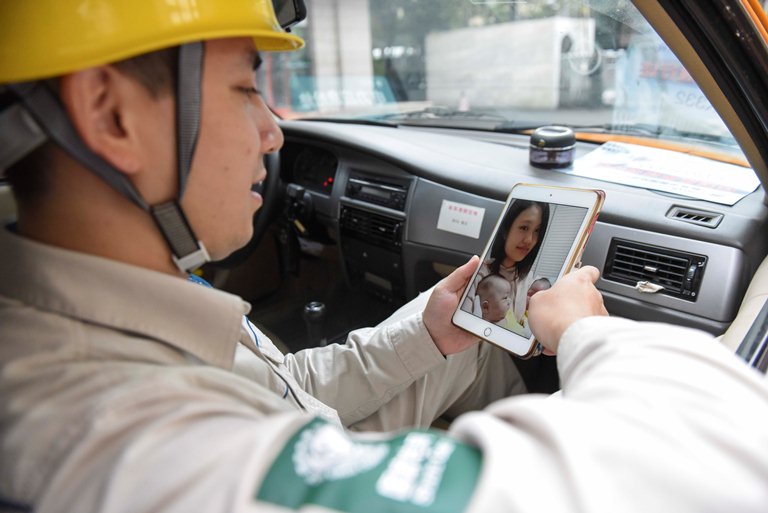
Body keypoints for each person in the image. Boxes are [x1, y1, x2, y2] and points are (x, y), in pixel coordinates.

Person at [1, 2, 767, 513]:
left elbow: (290, 389)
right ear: (111, 114)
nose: (273, 131)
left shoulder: (119, 304)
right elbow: (722, 463)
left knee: (472, 349)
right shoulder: (117, 438)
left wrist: (429, 329)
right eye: (243, 89)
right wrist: (589, 334)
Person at [462, 199, 550, 324]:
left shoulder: (529, 282)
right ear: (506, 230)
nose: (529, 240)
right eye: (524, 228)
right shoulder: (480, 273)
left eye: (537, 231)